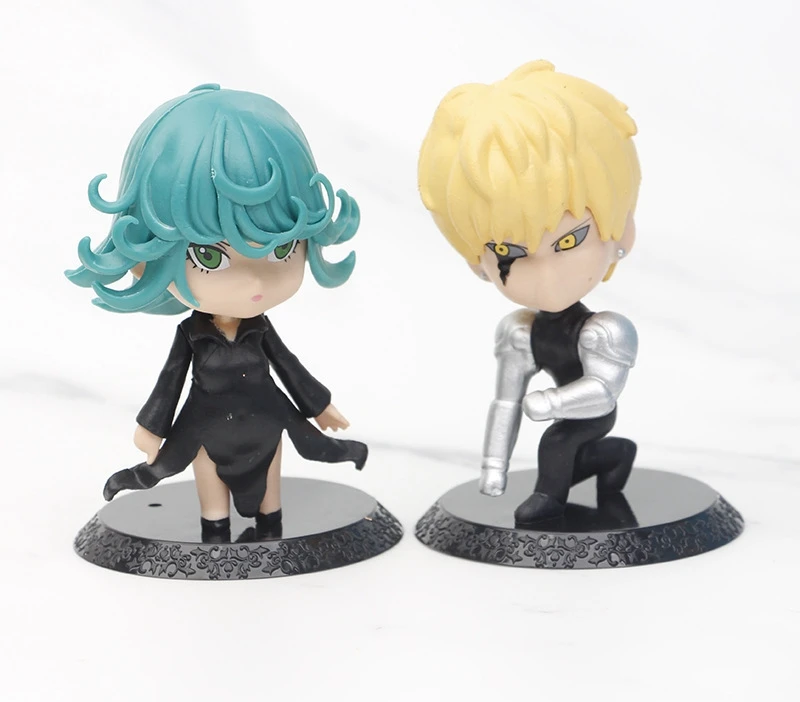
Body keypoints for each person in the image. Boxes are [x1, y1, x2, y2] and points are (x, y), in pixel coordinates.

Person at [67, 84, 366, 541]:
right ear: (148, 255)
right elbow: (170, 381)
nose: (255, 282)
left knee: (271, 482)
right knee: (209, 483)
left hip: (268, 420)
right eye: (210, 255)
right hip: (205, 427)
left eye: (281, 248)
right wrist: (151, 427)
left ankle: (270, 521)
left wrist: (319, 406)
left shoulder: (260, 329)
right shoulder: (192, 336)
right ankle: (215, 526)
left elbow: (289, 366)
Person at [418, 61, 640, 525]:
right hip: (567, 411)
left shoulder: (605, 331)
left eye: (570, 241)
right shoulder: (519, 332)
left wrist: (554, 403)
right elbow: (505, 402)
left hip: (589, 411)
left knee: (557, 441)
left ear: (621, 230)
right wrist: (493, 468)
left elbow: (604, 392)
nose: (546, 276)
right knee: (568, 448)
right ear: (477, 261)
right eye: (507, 252)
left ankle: (550, 501)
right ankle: (614, 457)